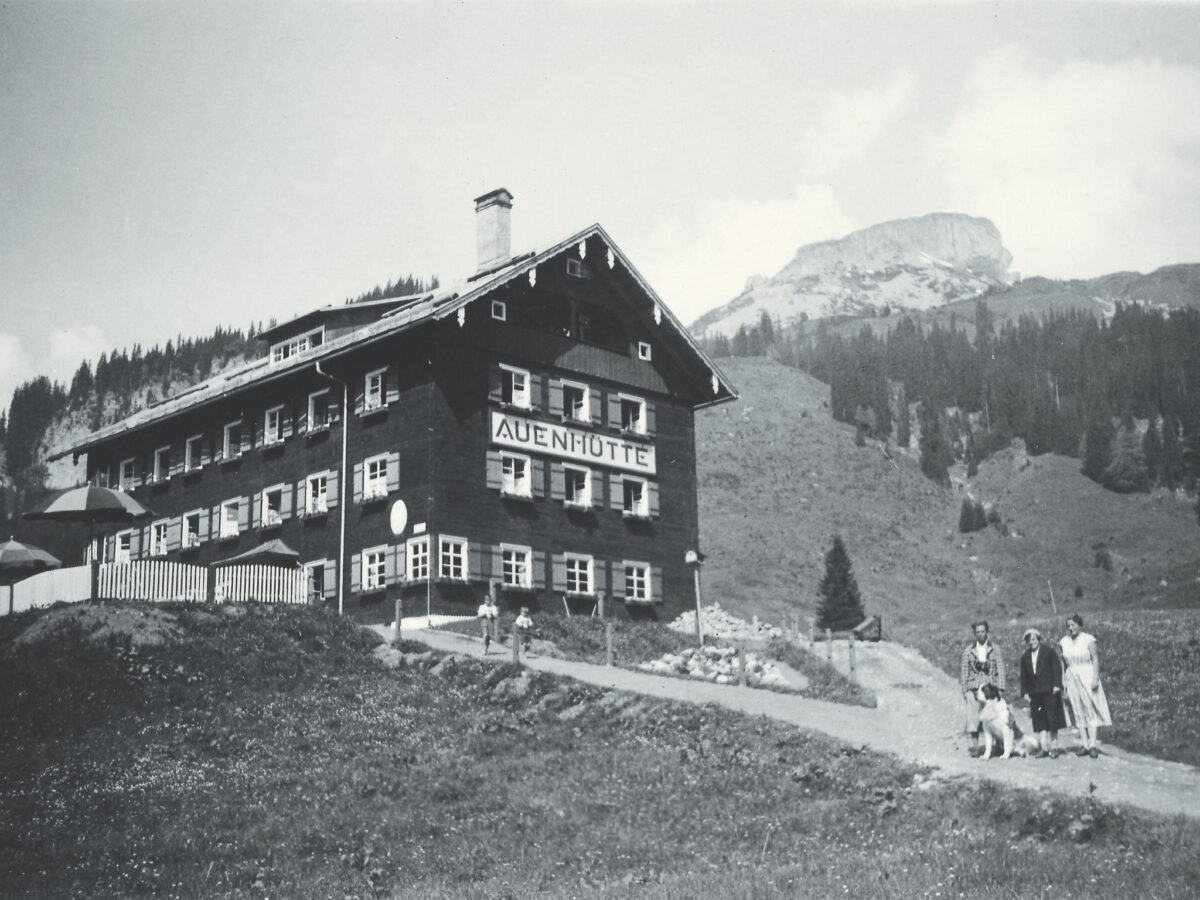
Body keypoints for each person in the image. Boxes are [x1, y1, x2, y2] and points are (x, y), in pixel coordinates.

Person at [1060, 614, 1112, 757]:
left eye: (1073, 625)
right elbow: (1063, 663)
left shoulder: (1088, 639)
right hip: (1071, 676)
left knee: (1090, 709)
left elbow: (1095, 658)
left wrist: (1095, 678)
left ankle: (1092, 745)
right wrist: (1063, 681)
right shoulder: (1064, 641)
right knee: (1077, 710)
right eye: (1068, 626)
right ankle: (1084, 744)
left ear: (1080, 625)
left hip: (1087, 675)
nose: (1071, 628)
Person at [960, 620, 1007, 757]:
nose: (980, 634)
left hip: (990, 689)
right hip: (974, 688)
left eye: (983, 631)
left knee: (995, 716)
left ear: (987, 632)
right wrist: (965, 691)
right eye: (978, 632)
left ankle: (999, 745)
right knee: (973, 717)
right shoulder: (968, 651)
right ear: (974, 634)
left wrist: (1001, 688)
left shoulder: (994, 649)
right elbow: (964, 672)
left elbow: (1001, 669)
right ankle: (976, 747)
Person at [1018, 628, 1065, 758]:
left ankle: (1054, 747)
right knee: (1040, 720)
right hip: (1035, 693)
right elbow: (1023, 676)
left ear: (1038, 639)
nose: (1031, 642)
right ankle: (1044, 747)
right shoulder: (1025, 657)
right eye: (1028, 640)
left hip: (1050, 691)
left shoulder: (1048, 652)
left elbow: (1057, 669)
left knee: (1052, 719)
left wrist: (1057, 685)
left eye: (1033, 639)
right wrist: (1025, 692)